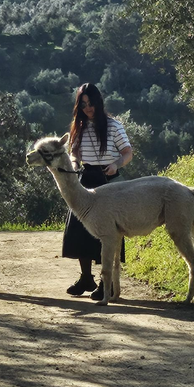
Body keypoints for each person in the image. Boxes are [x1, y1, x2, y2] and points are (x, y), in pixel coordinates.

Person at [62, 82, 133, 300]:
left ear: (98, 102)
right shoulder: (78, 126)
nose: (87, 108)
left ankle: (106, 283)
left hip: (109, 182)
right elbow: (74, 152)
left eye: (90, 103)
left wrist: (116, 165)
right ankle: (86, 278)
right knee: (79, 229)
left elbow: (127, 152)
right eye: (83, 104)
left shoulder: (114, 126)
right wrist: (74, 164)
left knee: (108, 234)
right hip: (86, 179)